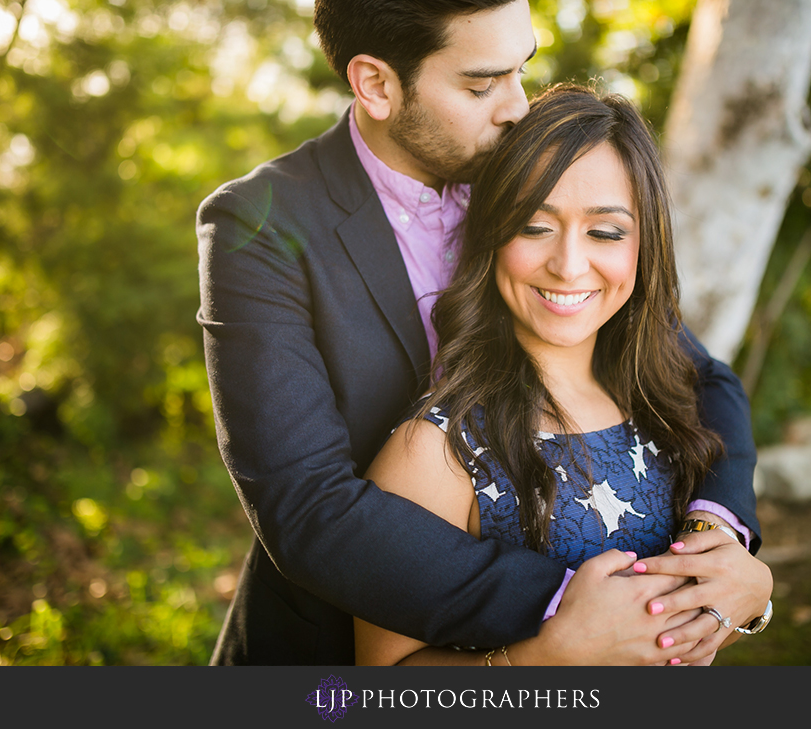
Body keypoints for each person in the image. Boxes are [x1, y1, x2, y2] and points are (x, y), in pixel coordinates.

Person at [197, 0, 766, 666]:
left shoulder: (527, 172)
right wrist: (574, 599)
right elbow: (309, 511)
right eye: (481, 84)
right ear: (376, 84)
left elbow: (700, 375)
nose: (517, 107)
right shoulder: (261, 226)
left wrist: (717, 535)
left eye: (521, 69)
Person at [354, 84, 773, 665]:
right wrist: (542, 661)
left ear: (643, 247)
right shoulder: (435, 451)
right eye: (534, 226)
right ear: (493, 237)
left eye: (605, 232)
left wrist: (751, 592)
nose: (569, 265)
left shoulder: (669, 404)